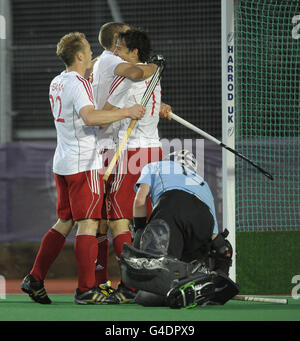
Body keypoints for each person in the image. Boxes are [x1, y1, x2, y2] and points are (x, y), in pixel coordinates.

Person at [20, 32, 145, 305]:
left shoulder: (57, 82)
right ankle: (86, 290)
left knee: (65, 221)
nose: (91, 53)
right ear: (79, 56)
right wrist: (127, 111)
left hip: (62, 162)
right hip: (83, 163)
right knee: (88, 223)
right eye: (88, 50)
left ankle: (35, 277)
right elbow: (90, 117)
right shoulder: (78, 83)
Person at [120, 149, 239, 308]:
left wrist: (140, 230)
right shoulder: (201, 181)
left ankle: (167, 291)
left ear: (169, 160)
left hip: (170, 209)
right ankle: (199, 279)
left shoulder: (156, 165)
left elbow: (140, 200)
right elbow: (215, 238)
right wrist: (221, 264)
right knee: (185, 268)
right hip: (203, 220)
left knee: (145, 295)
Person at [90, 22, 160, 289]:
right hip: (153, 149)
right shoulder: (149, 74)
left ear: (134, 51)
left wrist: (100, 115)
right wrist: (156, 66)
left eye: (125, 48)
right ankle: (145, 278)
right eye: (118, 45)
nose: (119, 51)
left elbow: (101, 120)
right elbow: (139, 75)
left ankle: (130, 284)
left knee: (114, 218)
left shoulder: (127, 74)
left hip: (126, 151)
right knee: (142, 218)